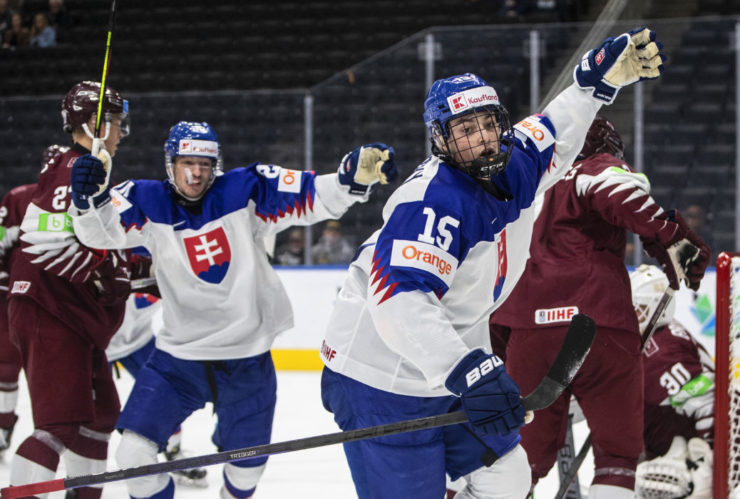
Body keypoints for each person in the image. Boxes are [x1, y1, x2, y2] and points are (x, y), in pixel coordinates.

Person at [319, 27, 666, 499]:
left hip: (447, 366)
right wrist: (469, 370)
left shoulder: (516, 158)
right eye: (465, 131)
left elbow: (558, 128)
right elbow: (399, 301)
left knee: (505, 477)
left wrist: (594, 83)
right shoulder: (431, 203)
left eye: (488, 124)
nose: (482, 139)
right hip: (381, 375)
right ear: (440, 140)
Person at [68, 120, 398, 498]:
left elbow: (312, 196)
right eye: (187, 163)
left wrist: (350, 178)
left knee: (245, 476)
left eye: (205, 165)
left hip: (247, 361)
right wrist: (88, 200)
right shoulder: (145, 199)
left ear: (217, 165)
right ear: (169, 163)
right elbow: (98, 232)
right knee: (131, 456)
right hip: (177, 360)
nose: (195, 173)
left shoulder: (246, 189)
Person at [488, 115, 711, 498]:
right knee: (617, 458)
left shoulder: (521, 188)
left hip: (527, 330)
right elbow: (618, 190)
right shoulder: (592, 168)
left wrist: (499, 347)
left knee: (522, 458)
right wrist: (670, 237)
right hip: (597, 323)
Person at [6, 82, 130, 497]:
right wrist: (109, 276)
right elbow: (50, 242)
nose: (121, 132)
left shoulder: (79, 166)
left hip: (70, 316)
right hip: (53, 312)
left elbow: (90, 240)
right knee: (58, 423)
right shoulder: (77, 167)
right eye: (115, 122)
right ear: (95, 123)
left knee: (99, 416)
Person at [106, 248, 209, 487]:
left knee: (166, 396)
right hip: (96, 344)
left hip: (139, 340)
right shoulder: (119, 256)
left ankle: (173, 451)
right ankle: (81, 460)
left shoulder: (170, 257)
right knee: (88, 411)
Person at [630, 264, 714, 499]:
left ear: (659, 309)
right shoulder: (657, 333)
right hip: (664, 448)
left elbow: (707, 404)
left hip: (681, 461)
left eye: (638, 310)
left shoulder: (663, 352)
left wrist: (709, 465)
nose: (630, 315)